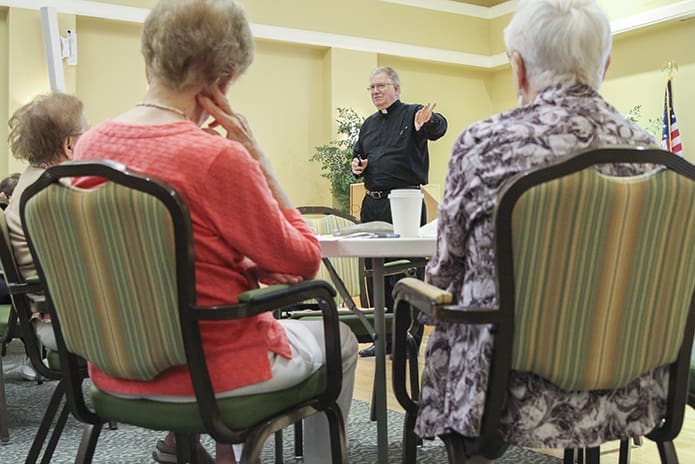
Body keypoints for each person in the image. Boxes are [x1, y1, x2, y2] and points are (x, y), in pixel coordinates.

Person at [70, 1, 358, 463]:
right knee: (338, 339)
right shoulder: (217, 158)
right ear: (225, 81)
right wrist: (258, 159)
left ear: (149, 62)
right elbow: (302, 262)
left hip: (109, 371)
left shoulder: (88, 147)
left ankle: (210, 452)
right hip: (213, 378)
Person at [420, 0, 664, 461]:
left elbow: (447, 269)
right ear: (604, 66)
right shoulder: (653, 154)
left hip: (507, 390)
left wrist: (422, 305)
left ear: (517, 69)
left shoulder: (483, 145)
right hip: (632, 385)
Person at [351, 66, 447, 357]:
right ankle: (383, 340)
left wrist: (427, 124)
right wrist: (357, 167)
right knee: (377, 273)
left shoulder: (413, 114)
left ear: (396, 88)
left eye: (381, 86)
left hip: (403, 202)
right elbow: (358, 157)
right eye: (371, 88)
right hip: (373, 203)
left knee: (406, 271)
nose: (375, 91)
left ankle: (409, 339)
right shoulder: (368, 124)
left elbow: (438, 127)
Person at [5, 92, 87, 381]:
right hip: (72, 325)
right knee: (187, 323)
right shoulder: (56, 193)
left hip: (53, 316)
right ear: (69, 145)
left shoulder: (31, 182)